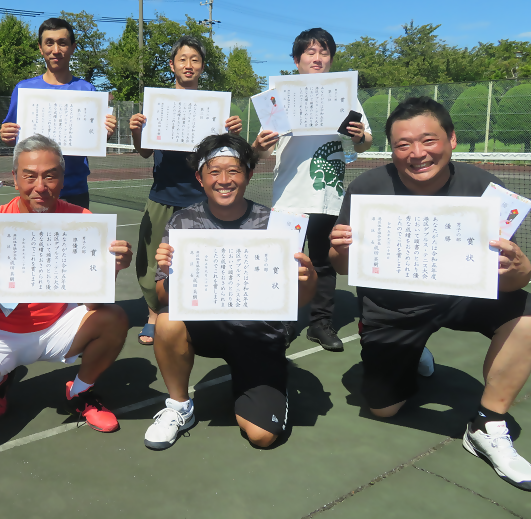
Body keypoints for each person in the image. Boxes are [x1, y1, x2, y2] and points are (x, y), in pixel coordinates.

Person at [329, 97, 531, 491]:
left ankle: (487, 424)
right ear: (391, 149)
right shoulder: (367, 187)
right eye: (403, 145)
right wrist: (338, 249)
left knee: (527, 312)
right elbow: (342, 266)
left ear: (451, 140)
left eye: (428, 140)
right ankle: (414, 349)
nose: (417, 154)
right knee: (383, 409)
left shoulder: (482, 188)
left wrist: (523, 270)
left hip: (465, 297)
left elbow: (513, 279)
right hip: (392, 308)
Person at [0, 135, 133, 431]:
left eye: (50, 176)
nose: (40, 186)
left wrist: (112, 269)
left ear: (63, 180)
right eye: (30, 176)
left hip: (57, 325)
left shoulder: (82, 219)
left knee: (114, 317)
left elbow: (93, 303)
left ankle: (79, 392)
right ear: (14, 178)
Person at [143, 133, 318, 450]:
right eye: (214, 171)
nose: (224, 180)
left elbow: (299, 300)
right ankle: (179, 407)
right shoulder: (182, 222)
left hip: (260, 334)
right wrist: (168, 274)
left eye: (234, 171)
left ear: (249, 174)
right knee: (167, 322)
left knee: (262, 437)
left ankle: (268, 382)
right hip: (207, 328)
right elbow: (164, 299)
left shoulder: (277, 225)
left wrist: (308, 277)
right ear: (199, 177)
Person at [253, 28, 373, 352]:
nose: (317, 57)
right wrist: (261, 144)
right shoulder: (278, 97)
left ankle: (320, 323)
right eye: (310, 52)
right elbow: (262, 152)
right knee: (285, 260)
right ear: (297, 60)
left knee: (324, 262)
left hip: (328, 194)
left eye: (324, 52)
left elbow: (365, 143)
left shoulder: (345, 94)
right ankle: (283, 322)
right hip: (288, 194)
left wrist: (360, 134)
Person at [131, 35, 243, 345]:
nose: (189, 65)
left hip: (201, 198)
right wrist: (136, 132)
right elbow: (142, 152)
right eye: (183, 59)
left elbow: (226, 153)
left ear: (202, 67)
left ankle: (201, 312)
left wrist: (232, 132)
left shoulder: (215, 107)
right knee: (152, 259)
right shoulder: (158, 104)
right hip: (164, 194)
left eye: (195, 60)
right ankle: (154, 314)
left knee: (202, 258)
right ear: (172, 65)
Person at [0, 17, 116, 210]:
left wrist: (106, 133)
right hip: (34, 191)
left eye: (62, 43)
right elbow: (13, 139)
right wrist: (6, 135)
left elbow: (96, 140)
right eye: (49, 43)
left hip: (74, 189)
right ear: (40, 47)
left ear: (72, 47)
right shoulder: (24, 89)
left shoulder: (87, 90)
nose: (55, 50)